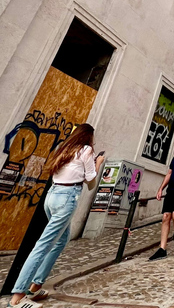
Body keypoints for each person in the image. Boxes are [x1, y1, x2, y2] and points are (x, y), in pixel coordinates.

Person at [8, 123, 104, 308]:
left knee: (61, 240)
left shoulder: (65, 149)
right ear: (88, 137)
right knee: (44, 244)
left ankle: (35, 287)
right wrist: (97, 164)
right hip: (66, 198)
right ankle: (18, 297)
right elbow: (90, 183)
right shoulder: (86, 150)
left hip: (52, 196)